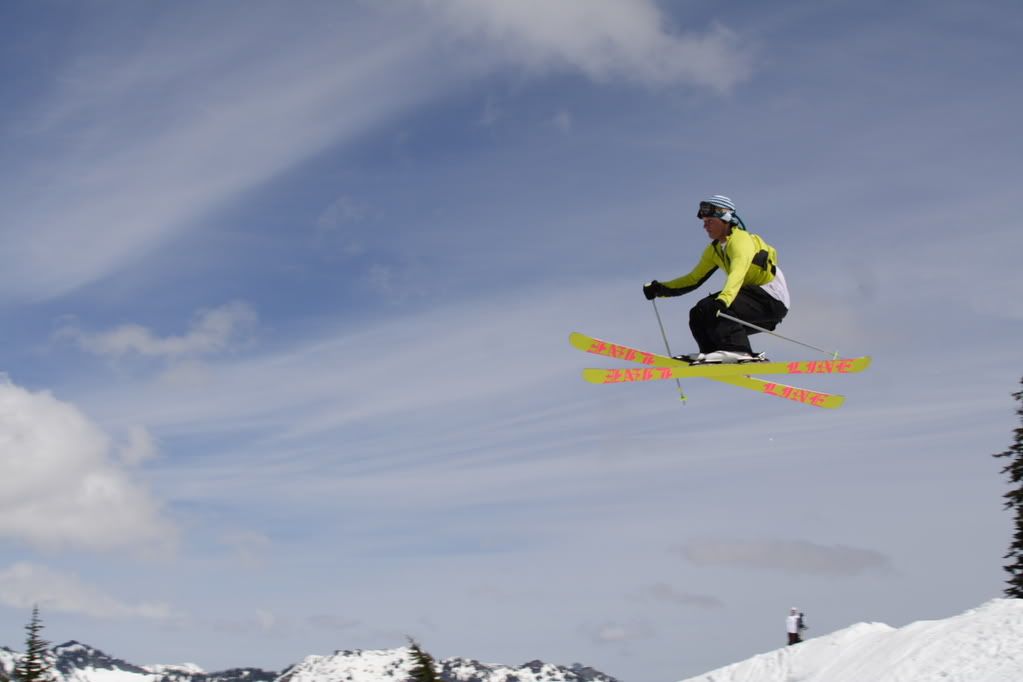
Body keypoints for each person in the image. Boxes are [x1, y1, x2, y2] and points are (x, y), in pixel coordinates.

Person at [643, 195, 789, 364]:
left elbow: (738, 272)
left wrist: (723, 300)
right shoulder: (714, 250)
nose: (705, 226)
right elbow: (693, 279)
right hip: (751, 300)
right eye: (704, 221)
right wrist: (660, 289)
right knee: (698, 312)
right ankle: (711, 354)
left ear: (725, 219)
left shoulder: (741, 240)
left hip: (771, 300)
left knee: (712, 306)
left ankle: (738, 351)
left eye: (710, 221)